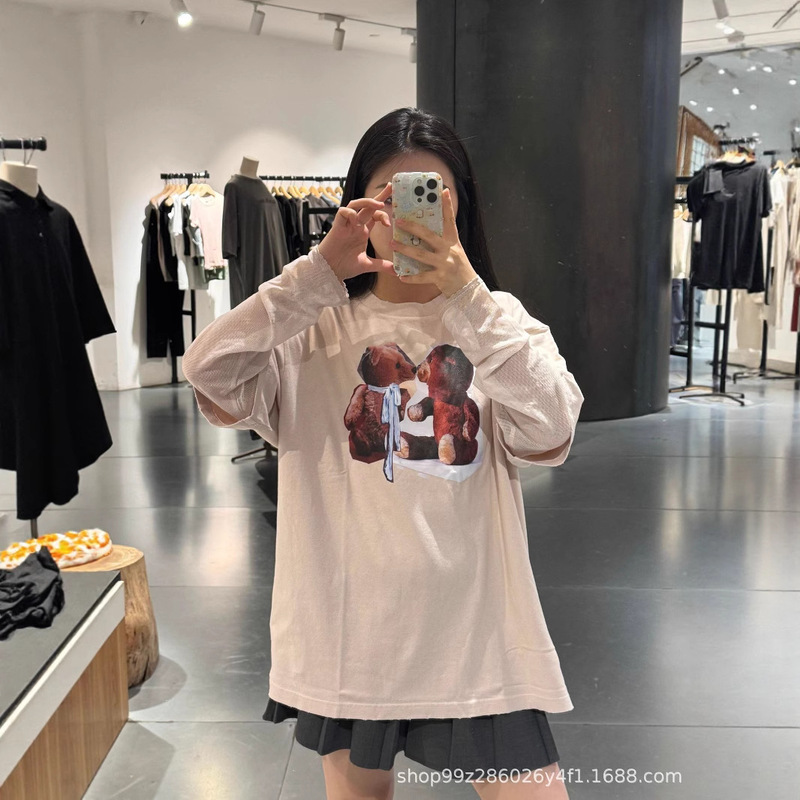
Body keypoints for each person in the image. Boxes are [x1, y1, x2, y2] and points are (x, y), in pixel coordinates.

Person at [182, 107, 584, 800]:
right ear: (358, 210)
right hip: (350, 634)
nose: (408, 215)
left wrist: (468, 298)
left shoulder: (498, 322)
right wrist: (314, 277)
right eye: (390, 197)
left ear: (459, 208)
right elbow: (207, 371)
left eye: (431, 195)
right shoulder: (313, 329)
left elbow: (551, 429)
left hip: (479, 633)